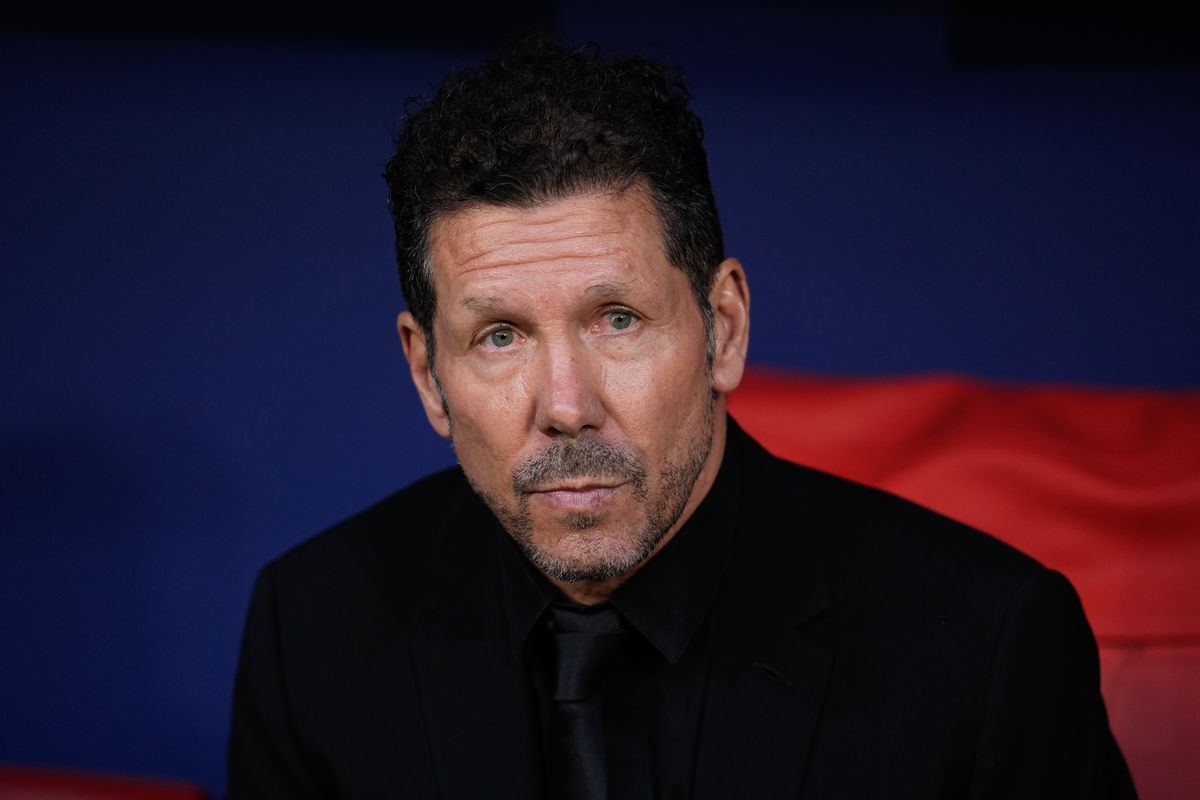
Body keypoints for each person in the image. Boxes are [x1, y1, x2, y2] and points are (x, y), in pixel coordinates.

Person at [226, 36, 1136, 799]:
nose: (566, 407)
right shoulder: (310, 629)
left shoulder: (986, 648)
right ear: (428, 374)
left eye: (617, 320)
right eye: (500, 336)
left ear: (723, 329)